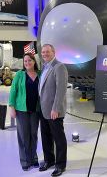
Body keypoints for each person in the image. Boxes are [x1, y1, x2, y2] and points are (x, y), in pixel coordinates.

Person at [38, 44, 68, 177]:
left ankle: (60, 165)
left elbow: (61, 90)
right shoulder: (44, 67)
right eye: (43, 52)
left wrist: (55, 108)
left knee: (59, 138)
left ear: (53, 52)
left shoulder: (59, 66)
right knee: (46, 137)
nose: (44, 54)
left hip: (54, 111)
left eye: (47, 52)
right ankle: (49, 160)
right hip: (44, 110)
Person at [8, 53, 40, 171]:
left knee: (33, 135)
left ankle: (34, 158)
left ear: (34, 61)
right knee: (23, 136)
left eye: (29, 60)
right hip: (21, 110)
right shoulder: (19, 75)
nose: (27, 63)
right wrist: (11, 107)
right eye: (25, 61)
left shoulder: (40, 74)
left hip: (35, 110)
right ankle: (25, 160)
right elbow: (13, 91)